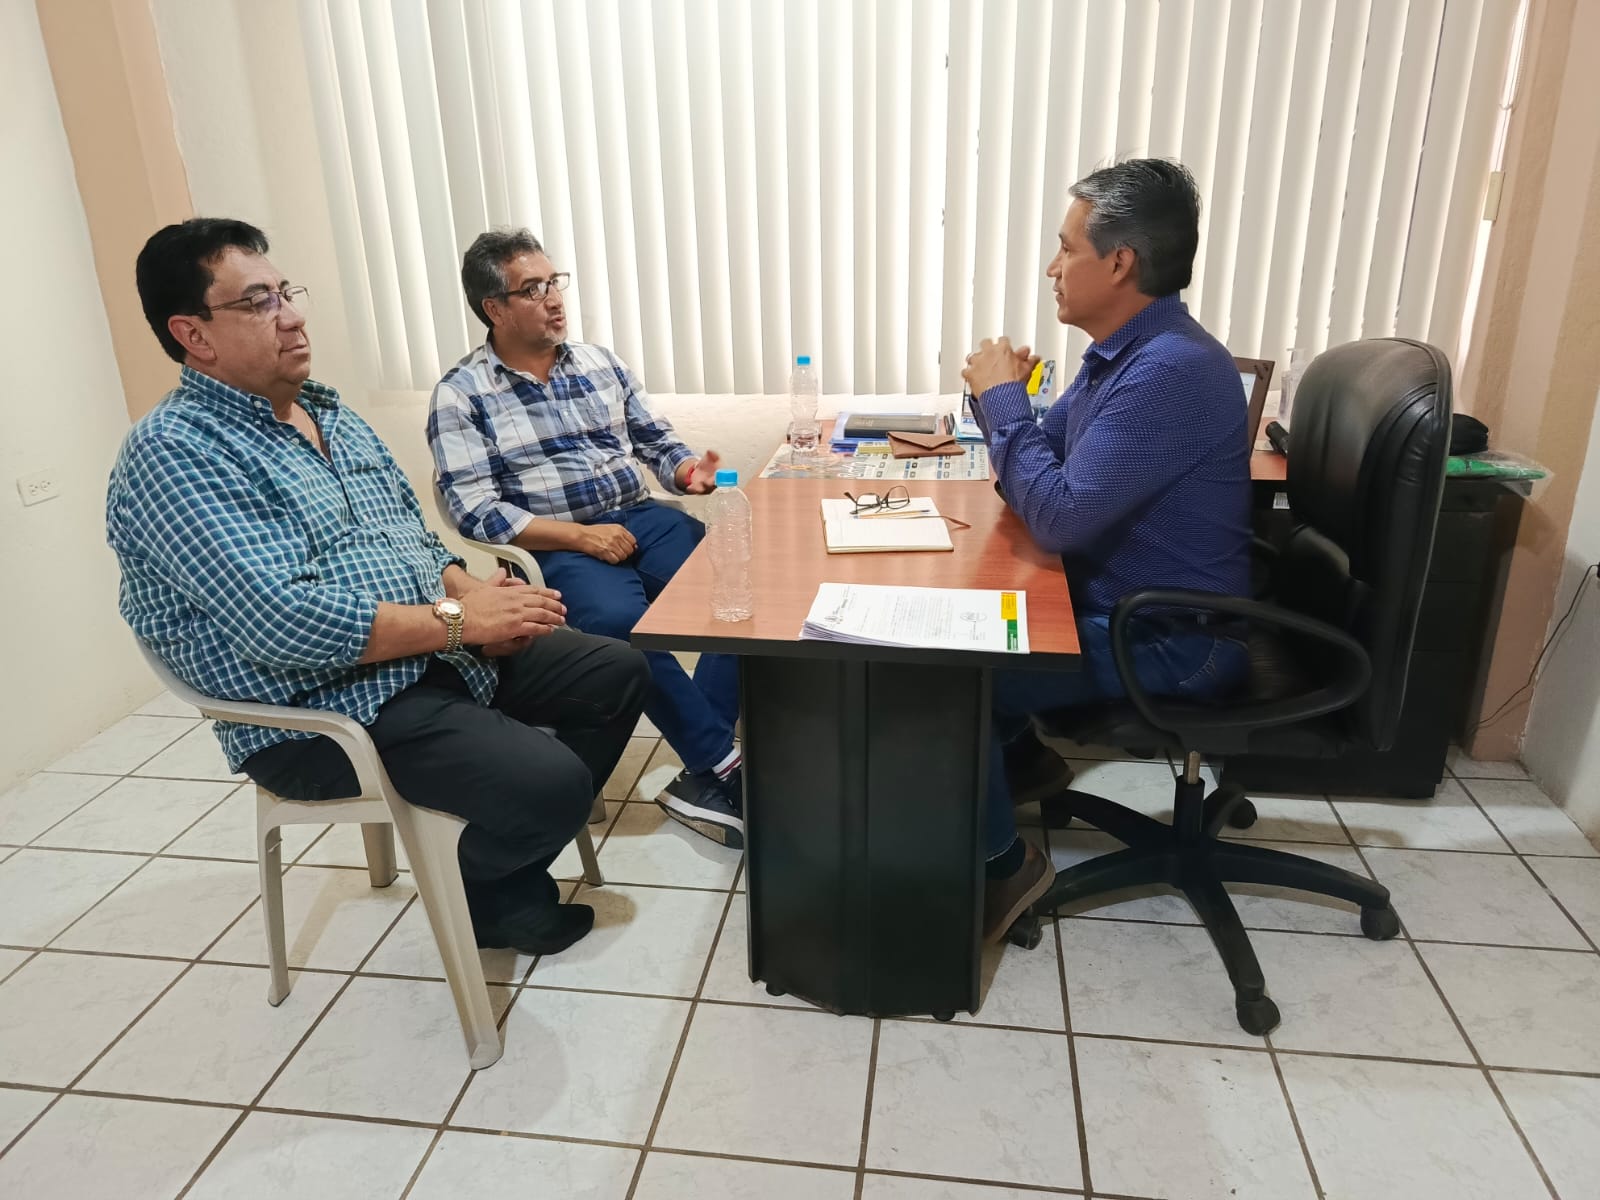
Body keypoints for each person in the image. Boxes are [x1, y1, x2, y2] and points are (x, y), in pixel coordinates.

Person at [109, 218, 650, 956]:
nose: (292, 316)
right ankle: (482, 881)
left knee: (615, 671)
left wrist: (472, 591)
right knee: (551, 785)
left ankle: (496, 875)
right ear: (193, 334)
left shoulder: (330, 414)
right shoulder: (175, 453)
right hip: (321, 708)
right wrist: (464, 622)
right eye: (259, 302)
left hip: (427, 653)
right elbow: (286, 623)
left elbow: (414, 540)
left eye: (285, 293)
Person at [962, 159, 1252, 942]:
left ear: (1120, 262)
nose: (1052, 268)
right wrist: (1003, 408)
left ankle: (1002, 868)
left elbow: (1056, 516)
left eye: (1067, 249)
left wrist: (1004, 402)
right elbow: (1032, 476)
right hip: (1125, 613)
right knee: (966, 627)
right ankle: (1018, 762)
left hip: (1177, 641)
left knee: (952, 673)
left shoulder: (1170, 370)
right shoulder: (1119, 356)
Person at [429, 228, 745, 848]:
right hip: (553, 543)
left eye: (554, 282)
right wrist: (578, 537)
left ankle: (705, 758)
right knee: (620, 625)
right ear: (495, 308)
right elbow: (474, 510)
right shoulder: (461, 394)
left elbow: (655, 441)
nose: (554, 299)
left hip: (639, 516)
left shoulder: (600, 362)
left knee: (740, 587)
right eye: (533, 289)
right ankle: (721, 761)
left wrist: (689, 473)